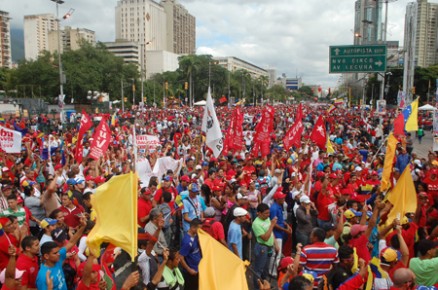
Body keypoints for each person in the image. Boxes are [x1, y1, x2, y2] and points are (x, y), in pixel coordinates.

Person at [35, 217, 87, 290]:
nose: (59, 254)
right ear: (46, 256)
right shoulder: (43, 276)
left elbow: (71, 242)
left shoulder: (58, 259)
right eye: (55, 253)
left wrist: (83, 226)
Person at [252, 203, 278, 290]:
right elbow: (265, 238)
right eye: (265, 213)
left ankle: (265, 286)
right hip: (262, 248)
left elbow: (271, 233)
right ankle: (257, 287)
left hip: (269, 248)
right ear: (259, 213)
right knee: (258, 270)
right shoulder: (256, 224)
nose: (268, 215)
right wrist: (272, 225)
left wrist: (276, 244)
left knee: (265, 270)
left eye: (268, 213)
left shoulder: (267, 219)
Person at [179, 218, 202, 290]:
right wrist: (189, 270)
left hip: (198, 269)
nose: (200, 231)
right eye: (199, 229)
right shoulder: (187, 242)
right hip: (191, 273)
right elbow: (181, 257)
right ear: (193, 228)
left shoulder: (196, 236)